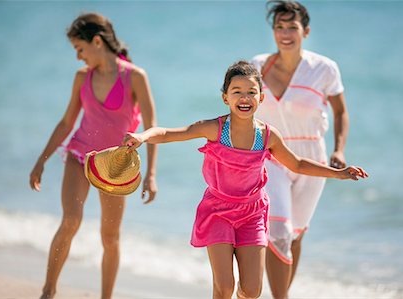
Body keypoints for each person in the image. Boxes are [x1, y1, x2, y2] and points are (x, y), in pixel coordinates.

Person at [123, 61, 367, 299]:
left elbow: (297, 164)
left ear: (261, 98)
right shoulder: (215, 129)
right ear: (225, 98)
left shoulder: (268, 136)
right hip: (217, 211)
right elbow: (168, 133)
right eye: (236, 91)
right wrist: (142, 136)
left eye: (251, 92)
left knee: (251, 291)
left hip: (252, 213)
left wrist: (338, 172)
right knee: (224, 287)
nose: (244, 98)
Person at [29, 13, 158, 299]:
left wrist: (150, 175)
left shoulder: (135, 77)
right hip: (80, 157)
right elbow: (66, 123)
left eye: (80, 49)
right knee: (71, 220)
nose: (78, 57)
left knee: (110, 238)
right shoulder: (81, 78)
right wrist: (42, 160)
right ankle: (48, 292)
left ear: (97, 41)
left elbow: (151, 128)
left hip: (116, 165)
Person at [250, 1, 352, 297]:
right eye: (279, 27)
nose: (285, 33)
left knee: (294, 236)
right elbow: (240, 105)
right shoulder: (257, 66)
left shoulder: (324, 69)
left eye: (291, 27)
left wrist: (339, 150)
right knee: (278, 231)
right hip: (271, 156)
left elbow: (341, 112)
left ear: (305, 31)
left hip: (311, 160)